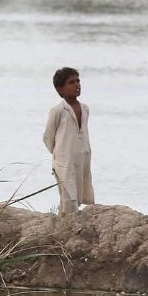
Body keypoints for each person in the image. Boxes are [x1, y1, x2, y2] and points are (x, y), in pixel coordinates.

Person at [43, 67, 95, 215]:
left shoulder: (85, 109)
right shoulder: (58, 111)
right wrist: (59, 153)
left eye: (78, 81)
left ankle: (71, 222)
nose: (77, 85)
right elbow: (48, 137)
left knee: (80, 193)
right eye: (71, 82)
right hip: (63, 161)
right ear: (60, 90)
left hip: (81, 158)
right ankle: (65, 224)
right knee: (68, 197)